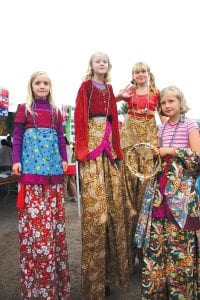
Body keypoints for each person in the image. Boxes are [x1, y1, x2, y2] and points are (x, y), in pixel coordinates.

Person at [134, 86, 200, 299]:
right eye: (163, 103)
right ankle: (159, 291)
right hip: (160, 190)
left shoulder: (190, 124)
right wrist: (156, 154)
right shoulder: (161, 129)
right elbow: (160, 157)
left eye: (171, 101)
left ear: (180, 102)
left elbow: (197, 158)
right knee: (159, 239)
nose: (167, 106)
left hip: (182, 193)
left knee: (180, 238)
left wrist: (170, 151)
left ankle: (181, 292)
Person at [12, 71, 71, 299]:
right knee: (35, 222)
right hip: (30, 175)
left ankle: (55, 285)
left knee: (53, 221)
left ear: (50, 87)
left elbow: (59, 137)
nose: (42, 86)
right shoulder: (23, 109)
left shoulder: (56, 112)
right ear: (31, 86)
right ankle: (36, 285)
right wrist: (16, 160)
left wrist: (64, 158)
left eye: (46, 83)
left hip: (53, 175)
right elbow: (16, 137)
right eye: (38, 82)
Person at [74, 52, 129, 299]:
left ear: (108, 66)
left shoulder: (108, 88)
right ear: (91, 65)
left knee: (114, 213)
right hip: (92, 151)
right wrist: (82, 149)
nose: (101, 63)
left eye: (105, 60)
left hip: (108, 150)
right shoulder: (85, 87)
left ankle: (108, 277)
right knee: (96, 216)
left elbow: (113, 120)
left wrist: (116, 150)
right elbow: (79, 116)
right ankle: (93, 282)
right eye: (98, 60)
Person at [116, 62, 165, 272]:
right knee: (128, 183)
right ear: (133, 75)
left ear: (148, 74)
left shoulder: (156, 92)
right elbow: (113, 101)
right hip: (130, 137)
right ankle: (127, 255)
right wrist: (120, 95)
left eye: (143, 71)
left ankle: (145, 251)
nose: (140, 74)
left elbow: (163, 116)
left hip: (148, 138)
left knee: (146, 188)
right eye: (136, 72)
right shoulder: (129, 92)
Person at [63, 137, 77, 201]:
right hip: (73, 166)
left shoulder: (62, 148)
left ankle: (64, 197)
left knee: (64, 182)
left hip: (66, 166)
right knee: (72, 182)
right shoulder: (70, 147)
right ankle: (74, 196)